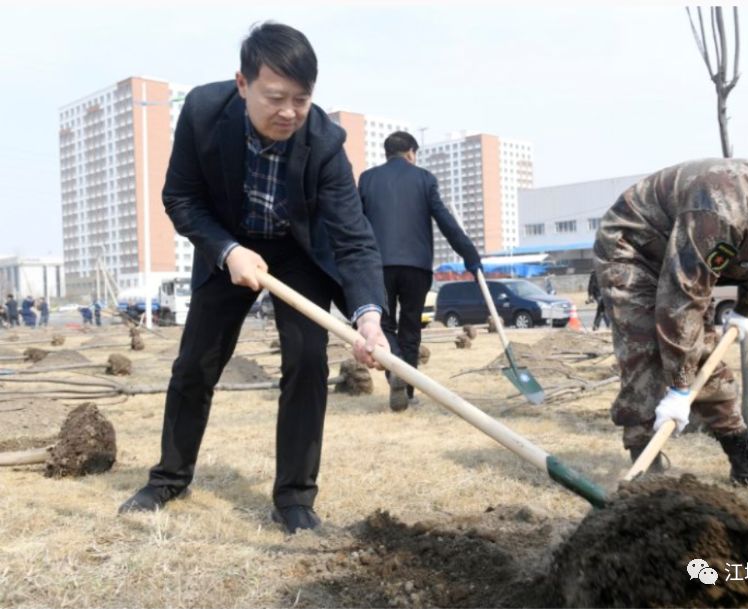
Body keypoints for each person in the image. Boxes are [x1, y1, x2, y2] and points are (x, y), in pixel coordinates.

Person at [119, 22, 388, 534]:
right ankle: (168, 479)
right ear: (242, 84)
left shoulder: (326, 142)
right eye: (276, 97)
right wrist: (227, 250)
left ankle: (294, 500)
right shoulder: (202, 112)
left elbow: (353, 237)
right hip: (228, 243)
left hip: (298, 253)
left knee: (308, 362)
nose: (289, 112)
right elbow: (180, 198)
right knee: (195, 363)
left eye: (302, 100)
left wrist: (369, 316)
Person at [594, 141, 748, 499]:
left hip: (685, 257)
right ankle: (645, 464)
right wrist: (680, 386)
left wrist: (746, 311)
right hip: (635, 247)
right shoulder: (722, 206)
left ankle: (745, 462)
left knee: (703, 349)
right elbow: (680, 299)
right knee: (644, 350)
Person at [359, 131, 481, 411]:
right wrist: (469, 255)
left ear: (386, 153)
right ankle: (408, 390)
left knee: (384, 325)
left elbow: (355, 222)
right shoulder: (425, 179)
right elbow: (446, 222)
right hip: (416, 266)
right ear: (412, 152)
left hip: (378, 265)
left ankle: (396, 375)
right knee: (411, 326)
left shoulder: (368, 179)